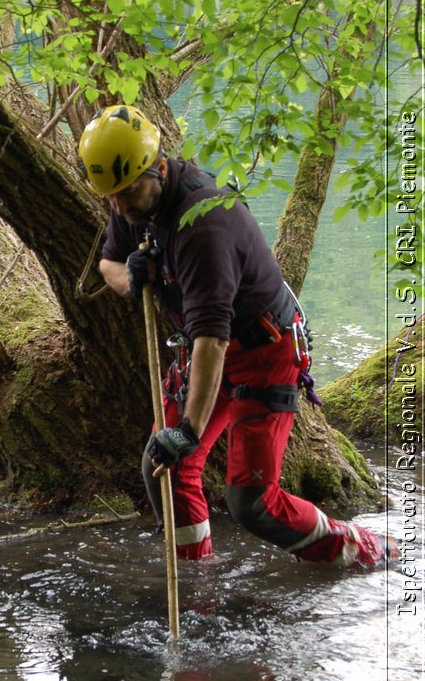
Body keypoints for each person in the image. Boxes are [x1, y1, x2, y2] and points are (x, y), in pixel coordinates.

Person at [78, 103, 397, 570]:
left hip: (264, 351)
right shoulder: (132, 202)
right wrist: (130, 276)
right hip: (207, 348)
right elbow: (108, 264)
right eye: (111, 197)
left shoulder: (204, 226)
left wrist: (187, 430)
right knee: (163, 466)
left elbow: (213, 339)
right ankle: (195, 574)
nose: (121, 207)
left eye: (128, 193)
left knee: (252, 504)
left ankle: (369, 551)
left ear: (159, 169)